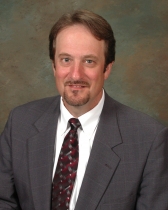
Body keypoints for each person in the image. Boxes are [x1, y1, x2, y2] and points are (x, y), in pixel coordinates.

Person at [0, 10, 168, 210]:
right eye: (66, 60)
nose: (75, 74)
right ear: (54, 66)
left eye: (89, 61)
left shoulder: (149, 139)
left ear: (107, 68)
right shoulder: (20, 122)